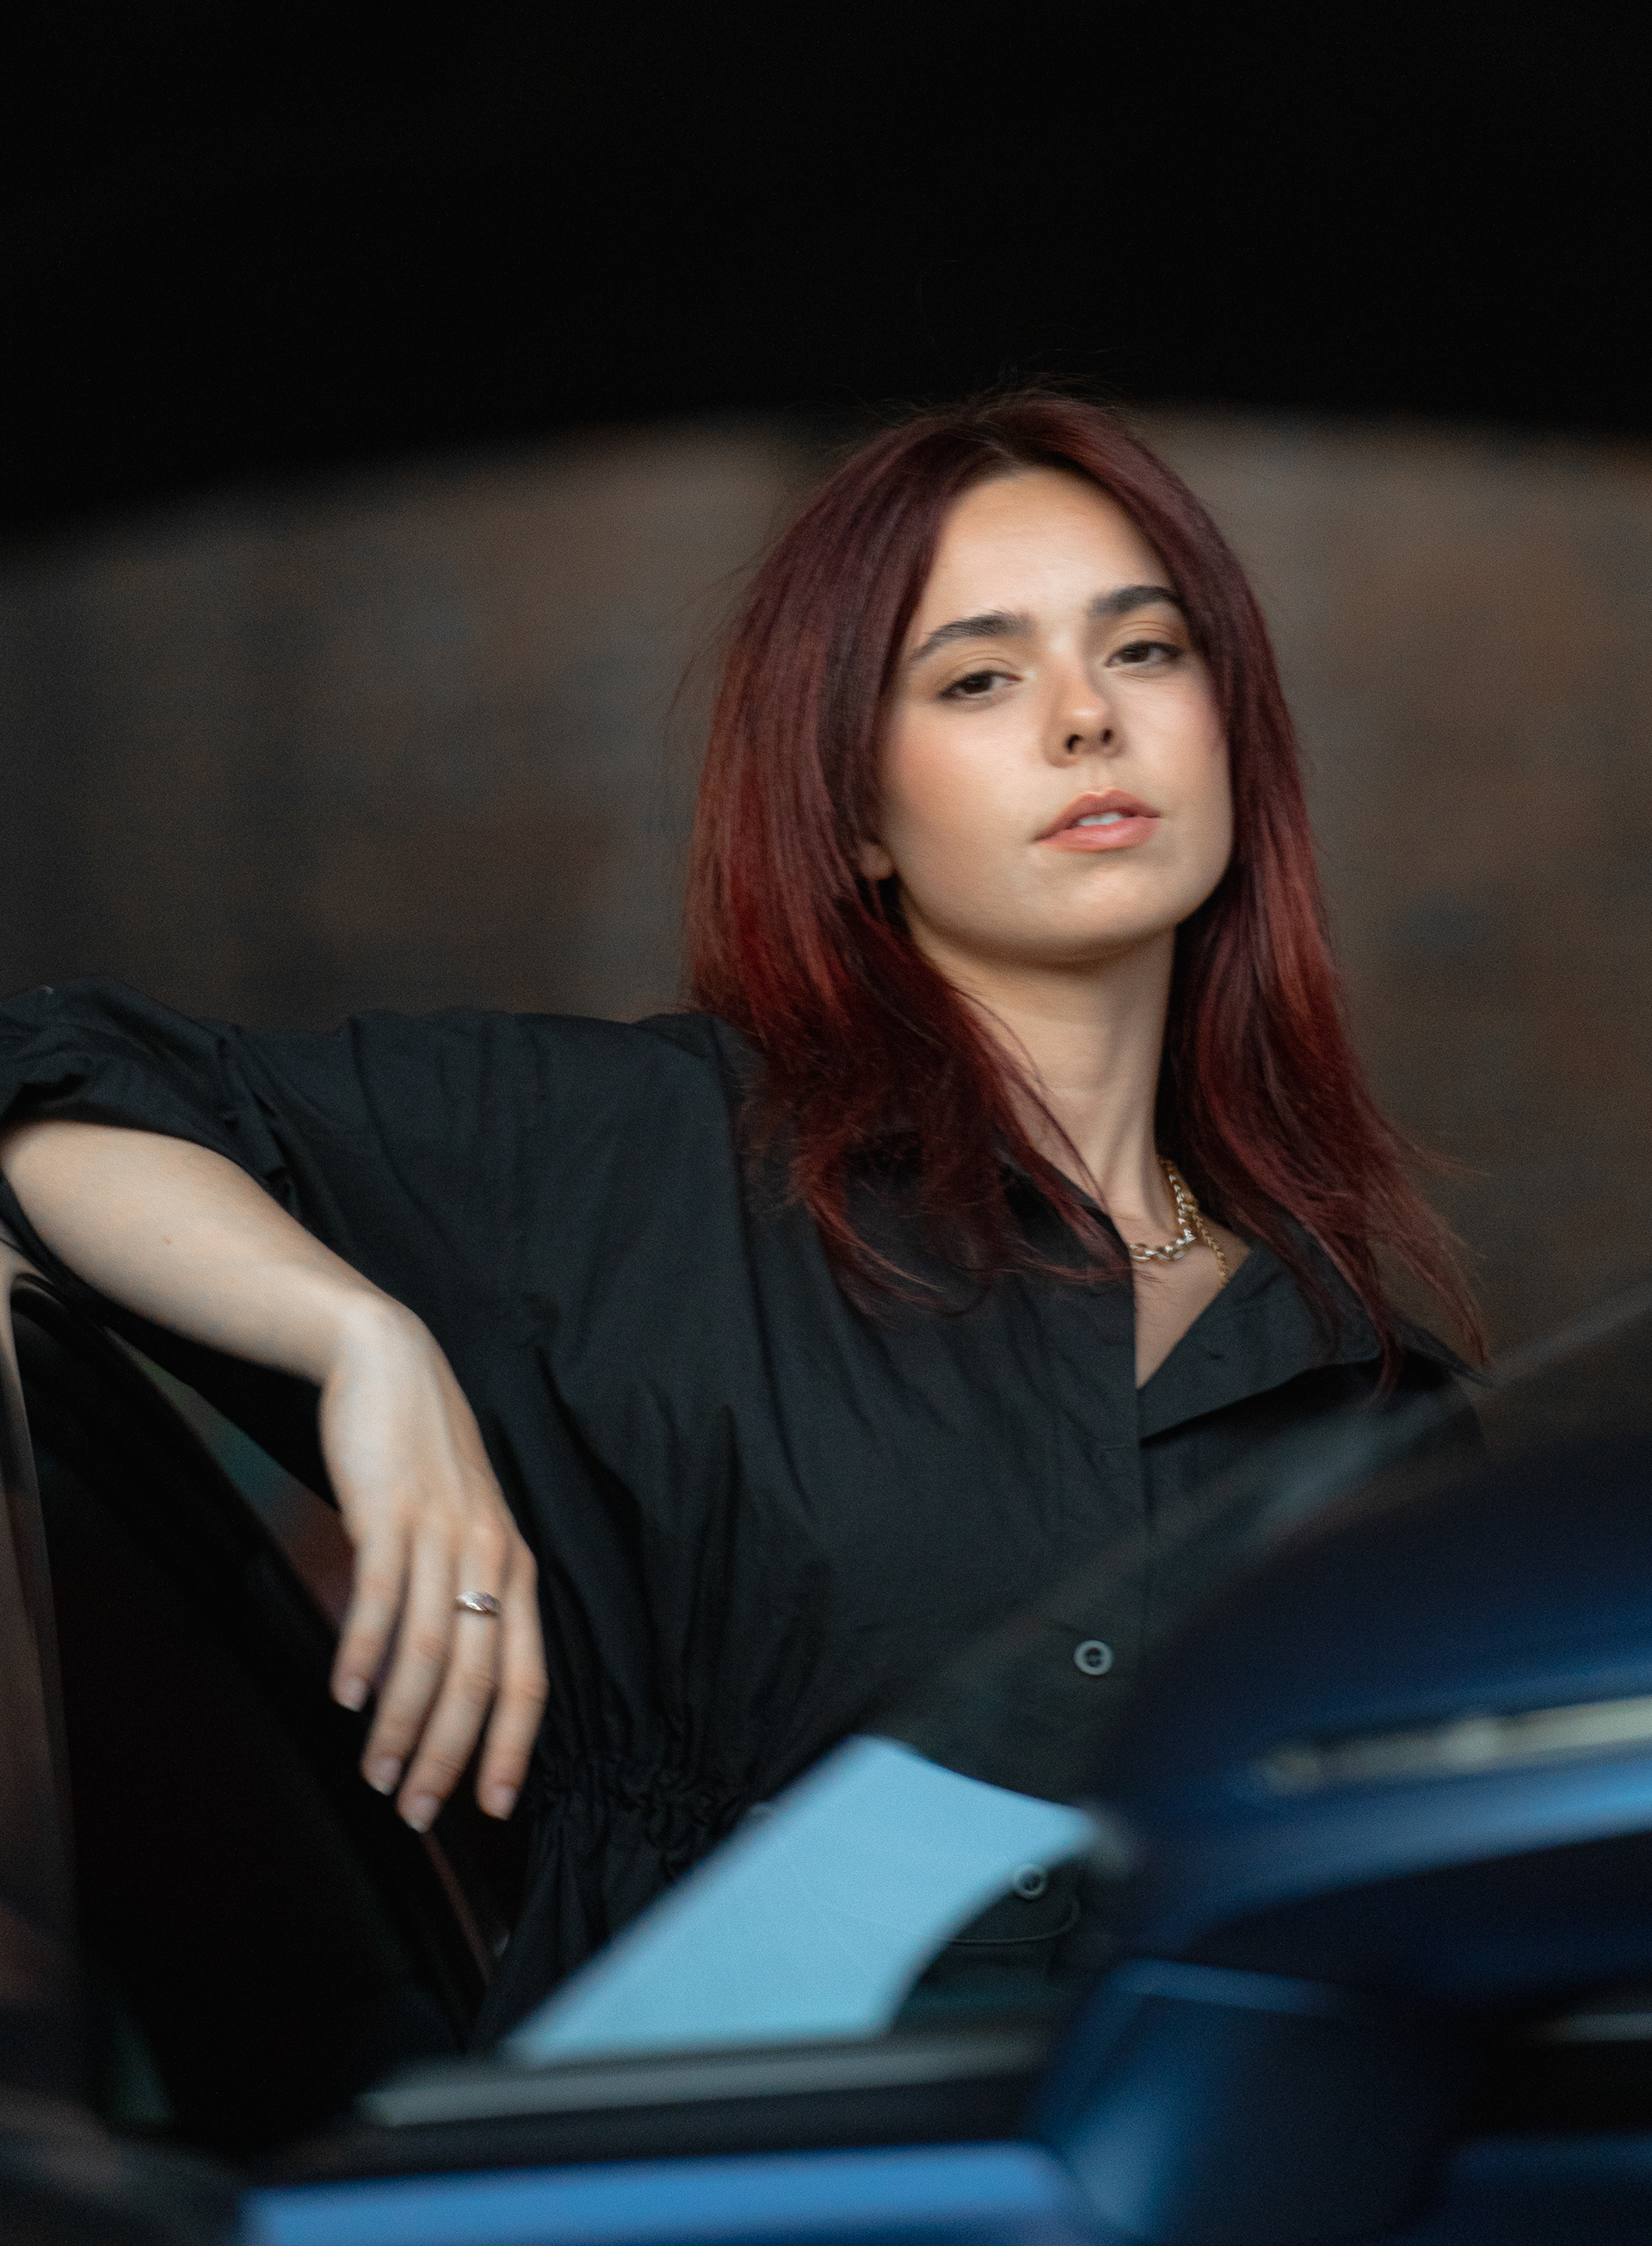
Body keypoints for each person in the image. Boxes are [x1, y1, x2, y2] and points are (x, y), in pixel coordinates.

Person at [0, 392, 1482, 2037]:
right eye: (978, 678)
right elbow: (52, 1085)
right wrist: (365, 1343)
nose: (1088, 719)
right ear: (853, 814)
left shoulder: (1364, 1387)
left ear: (1230, 734)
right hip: (702, 2148)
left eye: (1144, 651)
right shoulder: (637, 1155)